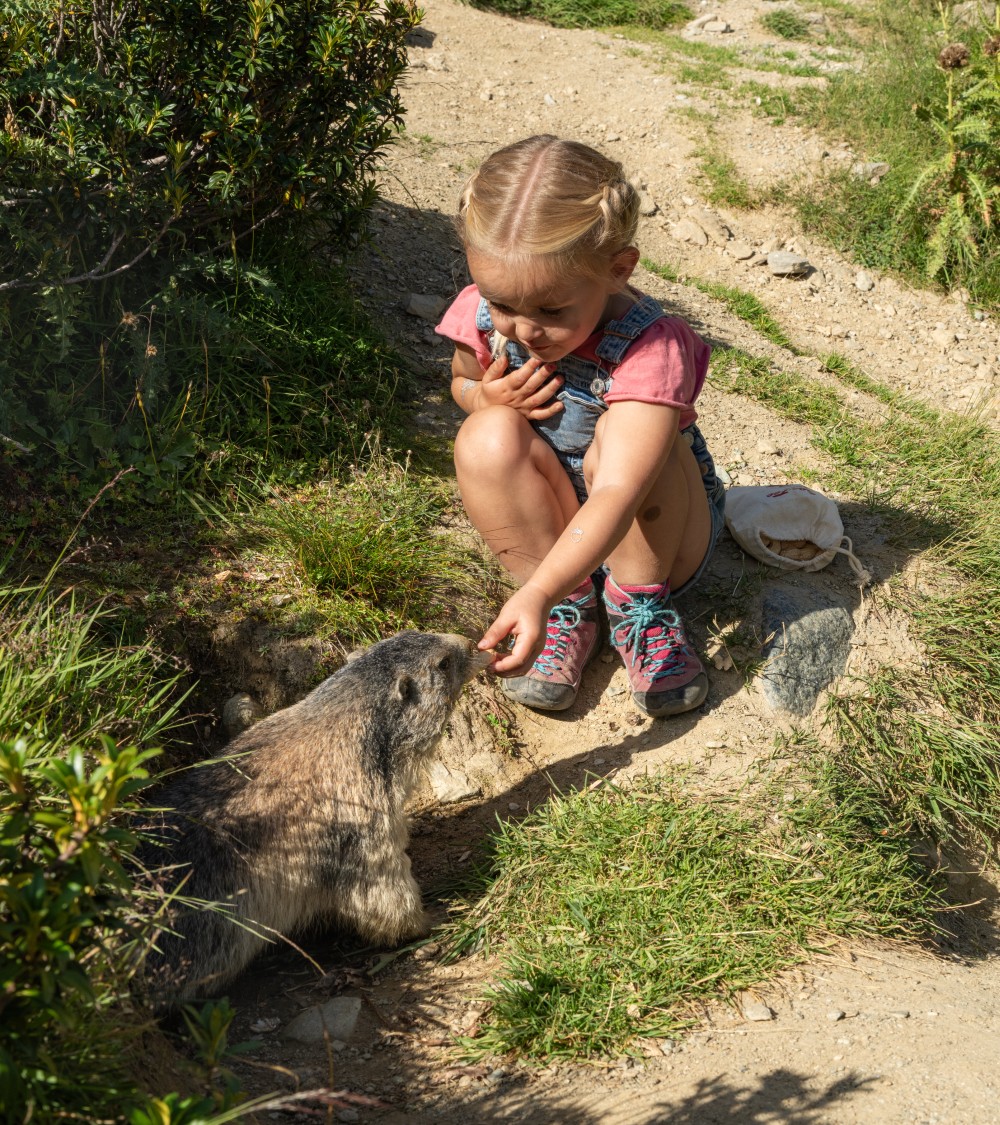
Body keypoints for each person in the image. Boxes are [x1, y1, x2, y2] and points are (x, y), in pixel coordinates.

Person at [435, 135, 725, 718]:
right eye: (502, 304)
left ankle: (637, 608)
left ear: (618, 271)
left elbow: (619, 489)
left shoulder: (649, 346)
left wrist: (531, 594)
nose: (522, 330)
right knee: (485, 434)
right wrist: (483, 395)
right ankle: (570, 604)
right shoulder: (489, 313)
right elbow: (460, 382)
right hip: (554, 518)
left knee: (642, 452)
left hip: (655, 536)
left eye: (550, 311)